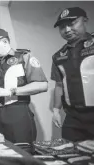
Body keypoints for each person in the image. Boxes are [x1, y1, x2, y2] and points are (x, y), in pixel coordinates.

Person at [0, 28, 48, 144]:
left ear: (5, 42)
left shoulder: (24, 57)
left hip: (17, 111)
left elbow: (42, 85)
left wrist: (10, 92)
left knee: (22, 151)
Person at [51, 7, 94, 142]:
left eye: (72, 23)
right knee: (71, 153)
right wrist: (56, 110)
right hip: (73, 117)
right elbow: (59, 84)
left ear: (85, 20)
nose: (67, 30)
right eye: (63, 27)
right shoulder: (58, 56)